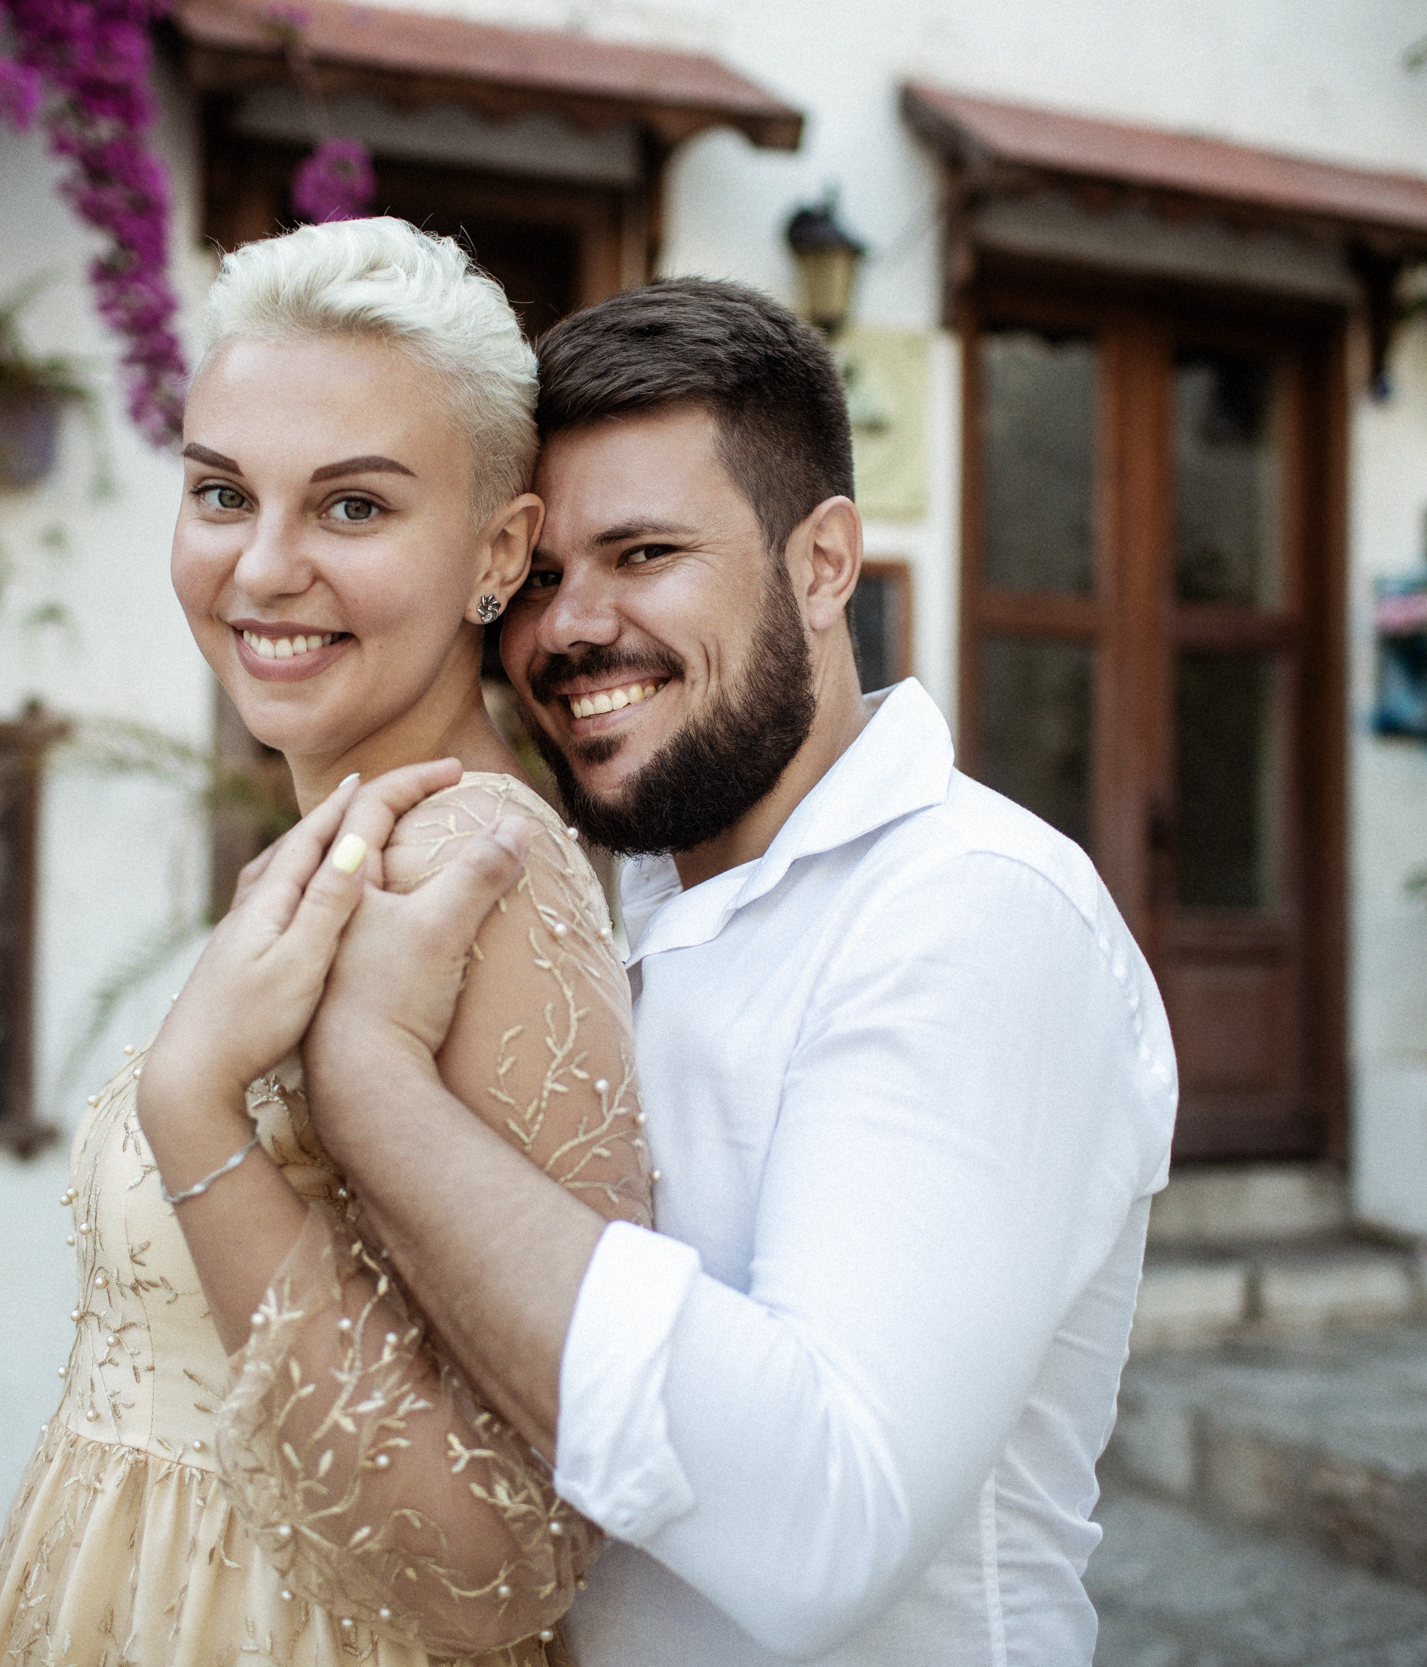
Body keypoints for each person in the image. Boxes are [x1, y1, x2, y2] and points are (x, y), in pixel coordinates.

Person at [290, 279, 1181, 1665]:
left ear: (824, 565)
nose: (568, 629)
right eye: (533, 579)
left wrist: (371, 1091)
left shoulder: (970, 914)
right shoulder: (602, 904)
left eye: (642, 552)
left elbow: (829, 1522)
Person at [0, 218, 650, 1667]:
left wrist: (194, 1111)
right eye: (222, 493)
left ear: (496, 553)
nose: (263, 568)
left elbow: (511, 1563)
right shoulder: (333, 851)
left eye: (351, 509)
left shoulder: (481, 878)